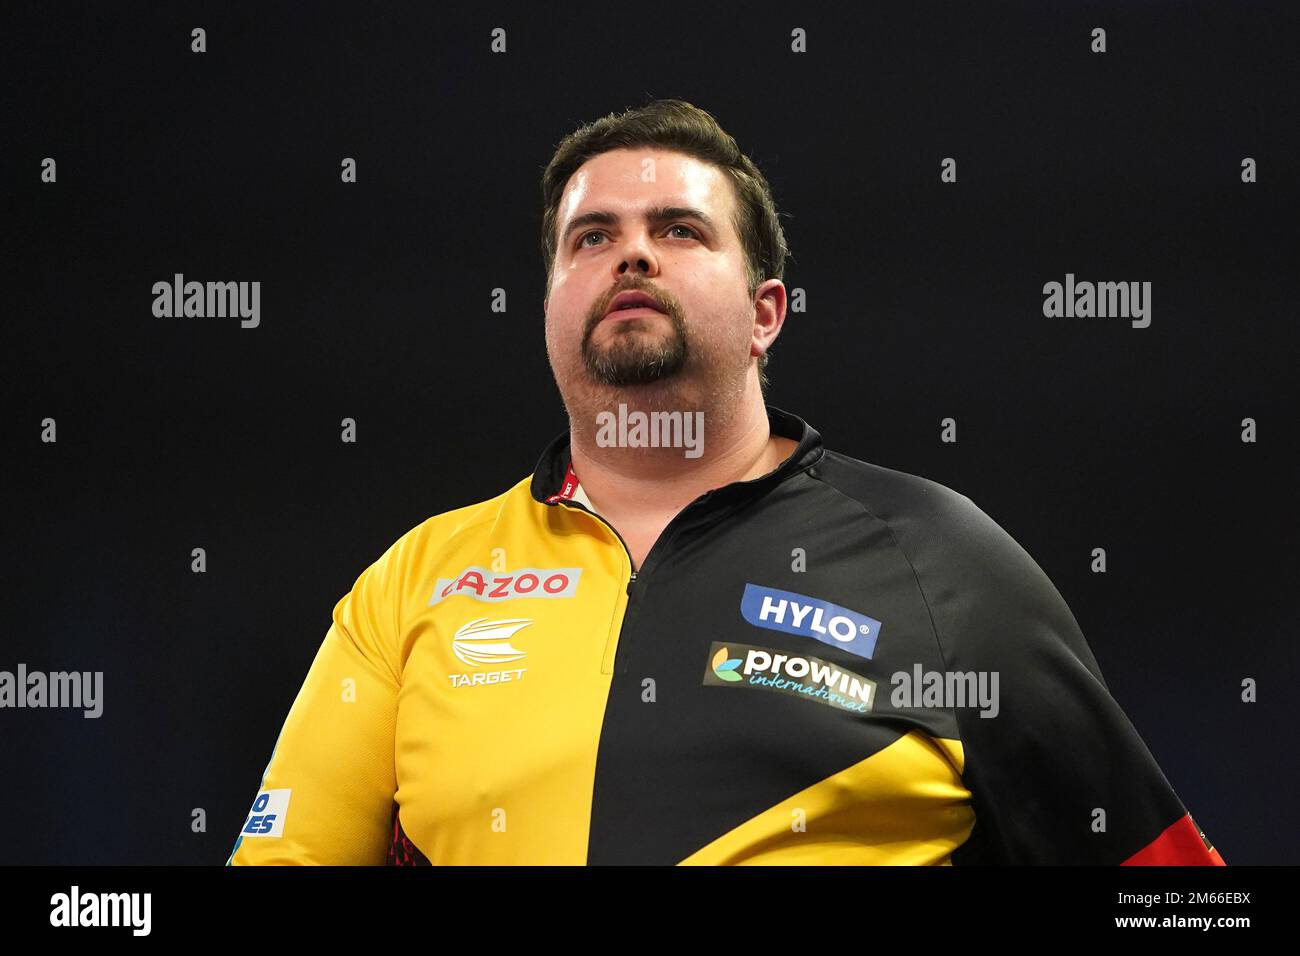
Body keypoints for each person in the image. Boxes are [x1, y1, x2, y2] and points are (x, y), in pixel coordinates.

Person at [226, 99, 1223, 865]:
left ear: (765, 313)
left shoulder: (943, 563)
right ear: (547, 307)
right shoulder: (413, 582)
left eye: (678, 229)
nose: (630, 253)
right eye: (592, 236)